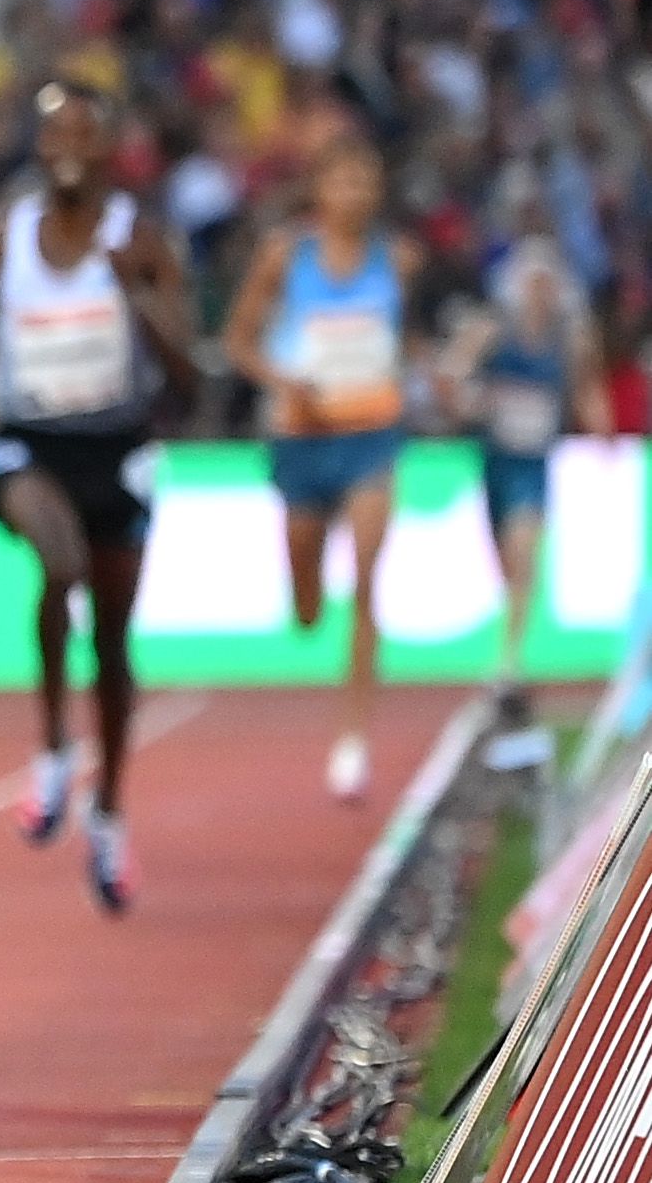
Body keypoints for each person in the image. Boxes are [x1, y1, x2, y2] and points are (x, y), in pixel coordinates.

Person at [0, 83, 198, 912]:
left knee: (113, 641)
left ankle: (107, 810)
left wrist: (137, 294)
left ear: (107, 150)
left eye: (83, 134)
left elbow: (189, 379)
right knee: (55, 559)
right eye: (53, 130)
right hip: (30, 442)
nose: (67, 146)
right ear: (35, 143)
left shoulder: (138, 239)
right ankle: (55, 749)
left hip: (118, 446)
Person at [221, 133, 419, 801]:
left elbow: (405, 339)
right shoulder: (286, 254)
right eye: (342, 181)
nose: (354, 194)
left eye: (365, 181)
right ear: (319, 189)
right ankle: (302, 589)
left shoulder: (397, 258)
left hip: (371, 435)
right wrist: (282, 381)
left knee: (366, 578)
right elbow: (237, 340)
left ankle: (352, 742)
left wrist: (423, 373)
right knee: (307, 602)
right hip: (302, 440)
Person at [439, 237, 611, 759]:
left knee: (524, 549)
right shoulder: (492, 331)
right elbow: (451, 376)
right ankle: (509, 649)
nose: (540, 293)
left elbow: (586, 387)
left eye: (547, 283)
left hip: (535, 465)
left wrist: (601, 423)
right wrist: (467, 399)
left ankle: (508, 663)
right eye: (531, 283)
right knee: (507, 561)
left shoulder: (570, 337)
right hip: (496, 460)